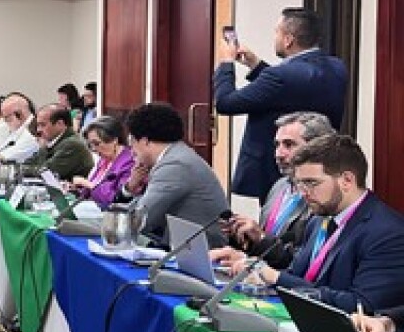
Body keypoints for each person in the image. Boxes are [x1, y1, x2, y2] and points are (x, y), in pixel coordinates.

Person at [246, 135, 404, 314]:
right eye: (300, 184)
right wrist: (259, 273)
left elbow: (362, 304)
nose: (303, 193)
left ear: (347, 181)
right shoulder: (318, 220)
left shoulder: (387, 232)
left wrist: (277, 278)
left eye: (311, 183)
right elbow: (299, 275)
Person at [214, 7, 348, 201]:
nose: (274, 37)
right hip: (321, 166)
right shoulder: (337, 68)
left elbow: (225, 103)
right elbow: (291, 90)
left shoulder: (280, 77)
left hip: (278, 168)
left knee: (277, 217)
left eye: (277, 32)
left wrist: (226, 63)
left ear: (288, 40)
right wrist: (256, 64)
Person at [210, 112, 335, 270]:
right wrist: (244, 237)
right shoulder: (279, 186)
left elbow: (301, 264)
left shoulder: (324, 197)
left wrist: (261, 239)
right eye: (277, 145)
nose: (278, 154)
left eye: (289, 145)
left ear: (316, 148)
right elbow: (266, 246)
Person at [118, 103, 229, 248]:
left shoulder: (175, 165)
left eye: (131, 142)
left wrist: (106, 222)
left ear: (145, 141)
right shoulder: (176, 156)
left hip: (201, 252)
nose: (131, 151)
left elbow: (141, 219)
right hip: (183, 244)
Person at [71, 116, 136, 210]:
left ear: (114, 140)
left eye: (96, 143)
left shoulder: (129, 162)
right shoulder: (104, 160)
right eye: (90, 145)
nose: (93, 149)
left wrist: (87, 183)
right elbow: (89, 193)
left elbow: (115, 198)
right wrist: (75, 189)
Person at [25, 105, 93, 181]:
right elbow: (27, 164)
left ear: (60, 124)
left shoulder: (72, 144)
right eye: (38, 125)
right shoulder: (53, 142)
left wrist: (25, 169)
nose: (38, 130)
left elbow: (47, 172)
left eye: (43, 125)